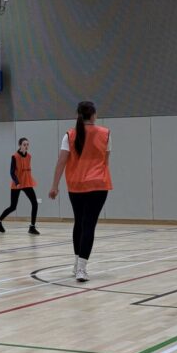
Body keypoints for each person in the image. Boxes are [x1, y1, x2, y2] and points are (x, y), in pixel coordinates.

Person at [49, 101, 111, 282]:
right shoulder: (105, 134)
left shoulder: (69, 135)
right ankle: (82, 268)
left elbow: (61, 162)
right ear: (93, 115)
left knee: (80, 223)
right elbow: (106, 161)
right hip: (98, 184)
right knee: (89, 224)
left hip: (75, 185)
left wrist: (54, 185)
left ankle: (77, 264)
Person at [0, 137, 40, 235]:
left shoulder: (29, 156)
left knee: (35, 203)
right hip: (17, 184)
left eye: (27, 144)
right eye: (24, 144)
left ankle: (32, 227)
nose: (26, 146)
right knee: (13, 206)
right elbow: (12, 172)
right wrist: (17, 182)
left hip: (27, 183)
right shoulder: (14, 156)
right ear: (20, 145)